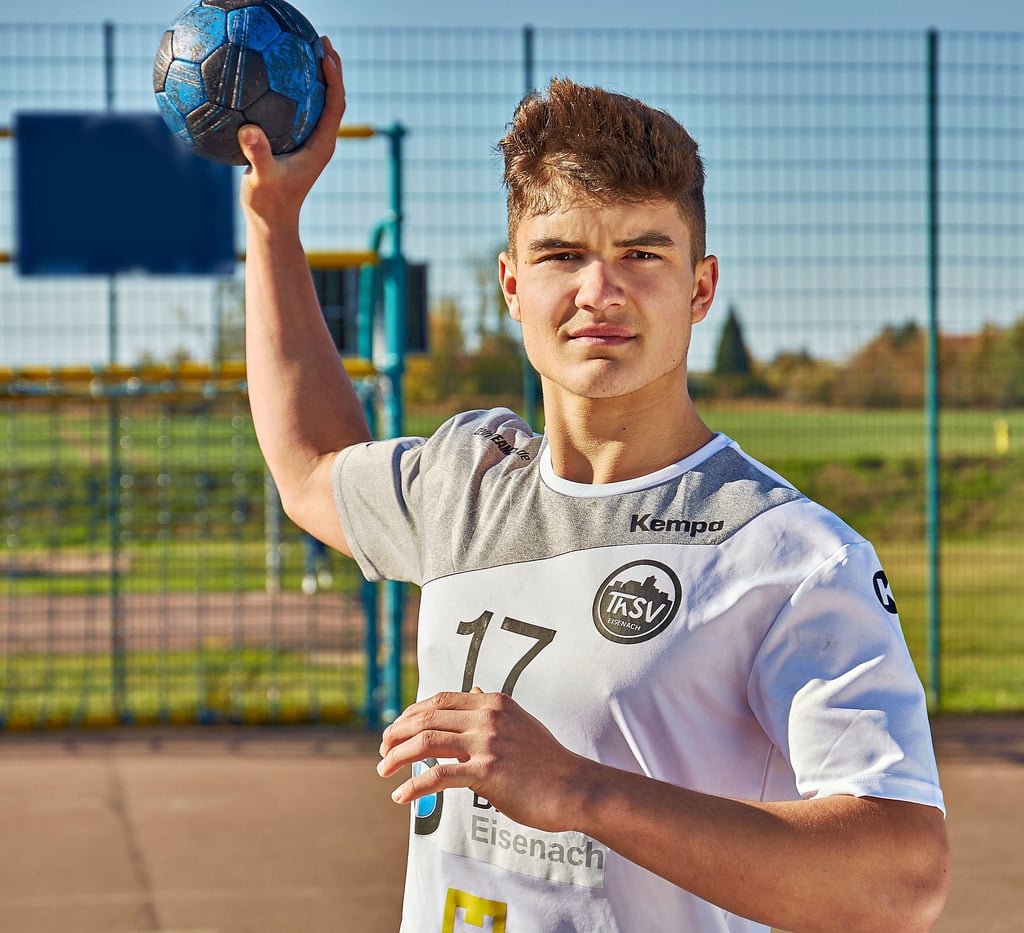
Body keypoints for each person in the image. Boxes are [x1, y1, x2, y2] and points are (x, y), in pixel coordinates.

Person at [238, 37, 949, 933]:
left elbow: (900, 879)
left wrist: (582, 790)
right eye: (561, 253)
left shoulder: (790, 554)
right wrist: (272, 220)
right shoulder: (470, 483)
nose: (600, 289)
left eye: (644, 253)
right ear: (510, 285)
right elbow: (308, 469)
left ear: (701, 288)